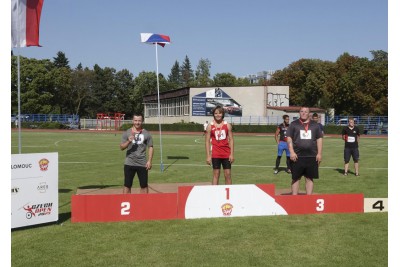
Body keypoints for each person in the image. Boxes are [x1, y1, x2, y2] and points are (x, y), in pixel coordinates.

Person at [287, 107, 323, 195]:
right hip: (297, 156)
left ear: (309, 114)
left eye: (306, 112)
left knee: (309, 178)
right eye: (302, 111)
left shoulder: (315, 125)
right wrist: (291, 152)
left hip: (311, 156)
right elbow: (289, 138)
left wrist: (319, 153)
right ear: (299, 112)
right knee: (295, 178)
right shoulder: (293, 124)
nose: (303, 113)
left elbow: (319, 139)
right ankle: (294, 200)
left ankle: (308, 200)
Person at [120, 114, 154, 194]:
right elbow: (121, 147)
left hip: (142, 163)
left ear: (142, 121)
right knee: (127, 185)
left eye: (139, 120)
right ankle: (126, 203)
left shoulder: (147, 133)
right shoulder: (127, 132)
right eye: (135, 120)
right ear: (133, 121)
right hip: (129, 163)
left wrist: (149, 161)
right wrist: (128, 141)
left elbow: (151, 147)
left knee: (144, 185)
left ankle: (144, 204)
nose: (137, 122)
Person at [205, 106, 234, 185]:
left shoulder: (227, 125)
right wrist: (208, 155)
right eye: (216, 113)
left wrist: (231, 154)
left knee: (227, 174)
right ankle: (214, 195)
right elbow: (207, 141)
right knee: (216, 174)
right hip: (215, 154)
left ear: (223, 114)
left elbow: (231, 139)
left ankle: (229, 194)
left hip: (226, 154)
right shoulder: (210, 126)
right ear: (213, 114)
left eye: (220, 113)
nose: (218, 115)